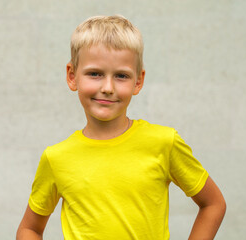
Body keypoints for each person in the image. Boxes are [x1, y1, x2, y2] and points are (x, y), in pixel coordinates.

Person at [16, 15, 226, 240]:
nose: (107, 87)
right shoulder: (56, 158)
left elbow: (213, 204)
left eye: (121, 76)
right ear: (71, 75)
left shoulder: (164, 142)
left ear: (138, 81)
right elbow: (29, 229)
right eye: (95, 73)